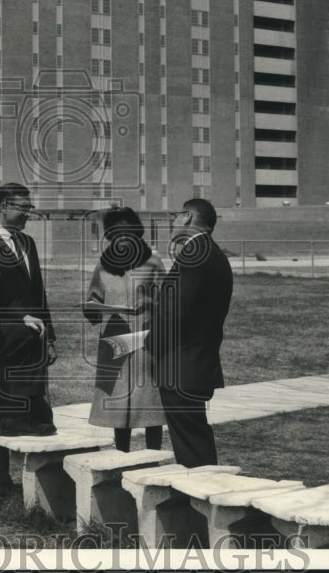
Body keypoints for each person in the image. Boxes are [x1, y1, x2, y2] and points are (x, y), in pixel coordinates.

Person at [0, 182, 57, 513]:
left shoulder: (27, 242)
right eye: (23, 207)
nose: (28, 212)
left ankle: (37, 482)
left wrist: (49, 335)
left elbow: (38, 293)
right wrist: (18, 318)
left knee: (30, 412)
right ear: (4, 207)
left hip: (30, 342)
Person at [148, 198, 233, 467]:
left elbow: (174, 312)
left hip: (181, 364)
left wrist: (149, 343)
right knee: (195, 438)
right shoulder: (214, 253)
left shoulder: (194, 253)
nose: (172, 222)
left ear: (186, 217)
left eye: (175, 216)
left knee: (191, 448)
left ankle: (198, 503)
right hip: (196, 362)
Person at [83, 207, 167, 452]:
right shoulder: (102, 265)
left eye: (126, 233)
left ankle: (153, 455)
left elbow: (171, 300)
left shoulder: (153, 261)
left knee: (149, 401)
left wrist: (151, 303)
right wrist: (93, 307)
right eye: (115, 234)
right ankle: (121, 456)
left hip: (146, 342)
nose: (121, 238)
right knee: (118, 404)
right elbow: (94, 298)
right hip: (114, 339)